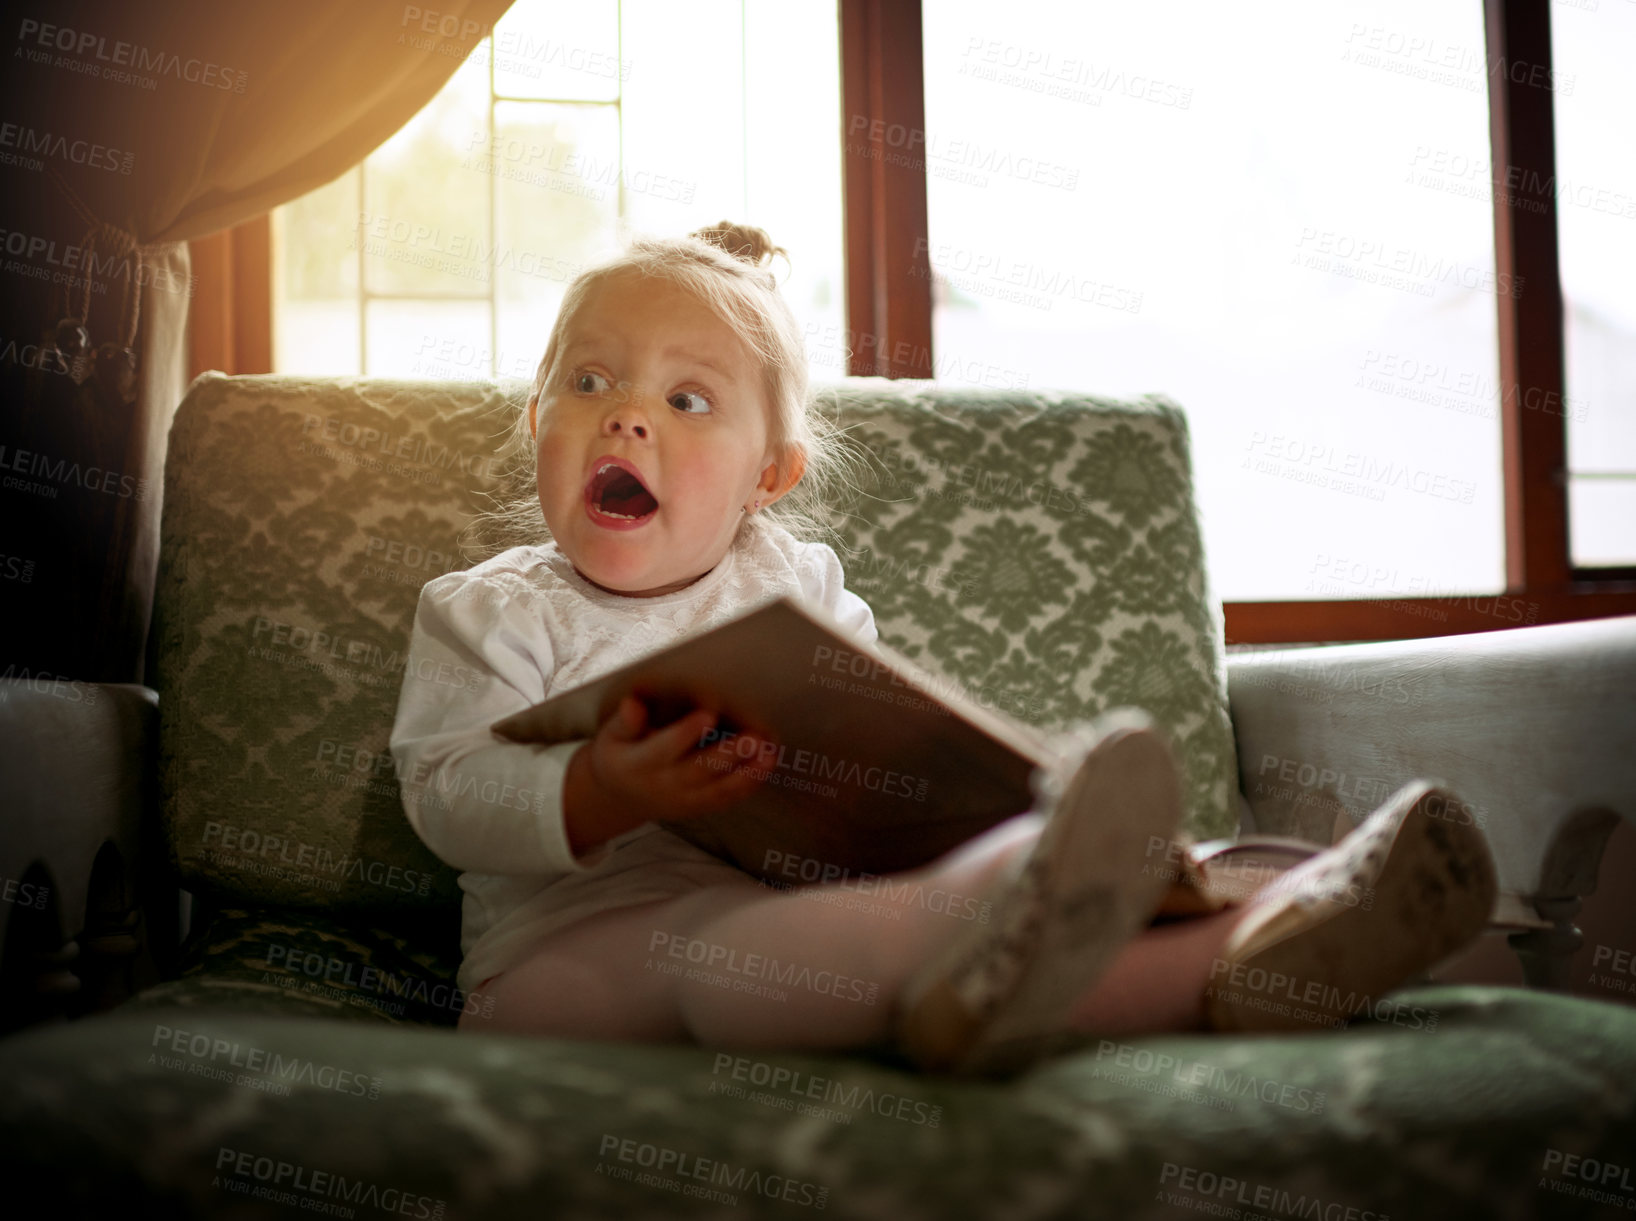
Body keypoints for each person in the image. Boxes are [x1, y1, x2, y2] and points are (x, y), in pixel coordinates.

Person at [388, 221, 1497, 1074]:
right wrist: (597, 788)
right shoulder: (488, 610)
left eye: (687, 399)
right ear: (537, 418)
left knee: (880, 927)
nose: (626, 417)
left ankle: (1258, 937)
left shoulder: (793, 588)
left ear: (768, 478)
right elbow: (447, 796)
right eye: (589, 383)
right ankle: (1064, 894)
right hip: (557, 969)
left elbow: (876, 749)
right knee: (726, 962)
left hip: (787, 906)